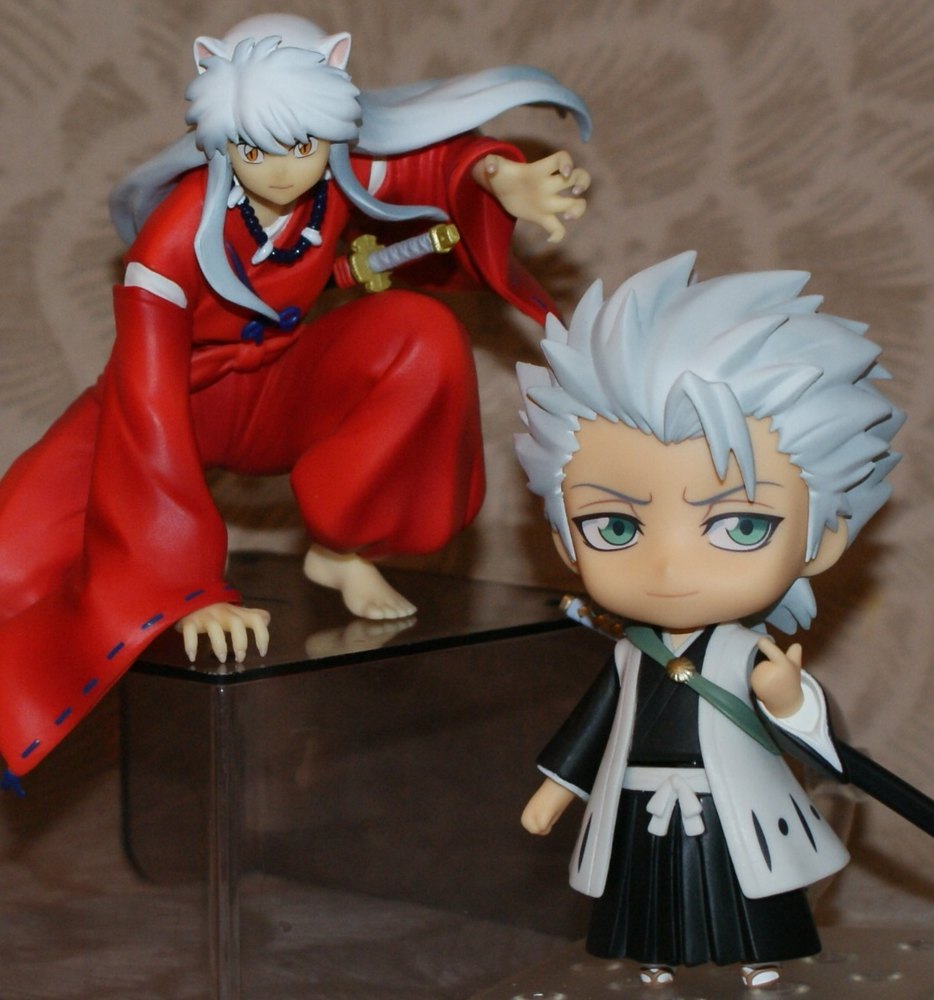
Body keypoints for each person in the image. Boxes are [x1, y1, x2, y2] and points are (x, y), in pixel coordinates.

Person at [0, 13, 590, 780]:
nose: (281, 170)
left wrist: (496, 177)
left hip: (278, 389)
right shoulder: (171, 242)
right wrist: (187, 589)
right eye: (254, 149)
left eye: (302, 146)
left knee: (420, 333)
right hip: (172, 397)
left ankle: (342, 548)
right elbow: (147, 410)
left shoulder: (336, 179)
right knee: (13, 559)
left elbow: (424, 169)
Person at [515, 252, 903, 987]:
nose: (668, 567)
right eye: (615, 527)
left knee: (745, 884)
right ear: (565, 540)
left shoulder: (746, 652)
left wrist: (787, 700)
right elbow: (590, 729)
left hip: (736, 800)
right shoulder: (630, 653)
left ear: (822, 539)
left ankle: (760, 956)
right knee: (649, 890)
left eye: (740, 526)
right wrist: (555, 790)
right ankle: (656, 956)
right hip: (639, 799)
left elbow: (816, 745)